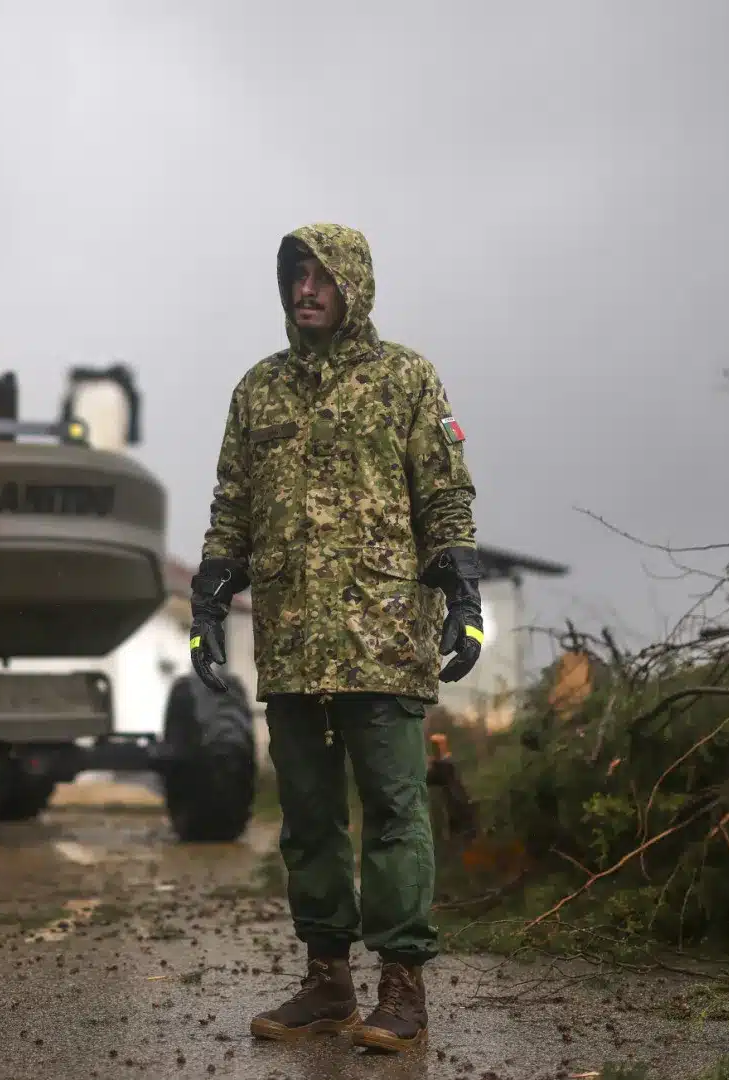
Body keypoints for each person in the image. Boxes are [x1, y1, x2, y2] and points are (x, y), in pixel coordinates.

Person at [189, 223, 483, 1054]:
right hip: (291, 643)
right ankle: (327, 982)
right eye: (295, 277)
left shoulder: (406, 380)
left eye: (321, 277)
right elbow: (232, 507)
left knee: (394, 812)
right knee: (310, 818)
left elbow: (446, 500)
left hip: (385, 636)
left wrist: (463, 596)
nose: (306, 291)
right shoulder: (259, 391)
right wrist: (209, 602)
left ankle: (402, 987)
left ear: (354, 283)